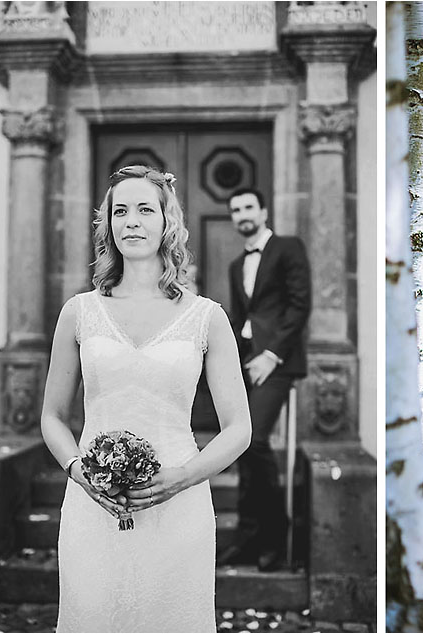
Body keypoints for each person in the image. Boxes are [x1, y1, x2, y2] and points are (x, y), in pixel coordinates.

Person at [40, 165, 252, 633]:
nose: (131, 221)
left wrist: (181, 478)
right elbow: (52, 417)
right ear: (109, 226)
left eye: (143, 209)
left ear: (166, 220)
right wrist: (80, 472)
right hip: (91, 506)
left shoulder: (206, 318)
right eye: (120, 211)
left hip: (180, 506)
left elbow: (239, 428)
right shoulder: (79, 312)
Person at [218, 187, 311, 571]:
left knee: (254, 440)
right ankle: (248, 535)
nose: (242, 214)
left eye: (248, 207)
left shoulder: (288, 248)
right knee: (240, 448)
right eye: (235, 209)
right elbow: (242, 319)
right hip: (244, 363)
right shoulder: (235, 264)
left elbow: (299, 304)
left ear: (264, 210)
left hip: (278, 363)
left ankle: (276, 534)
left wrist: (271, 356)